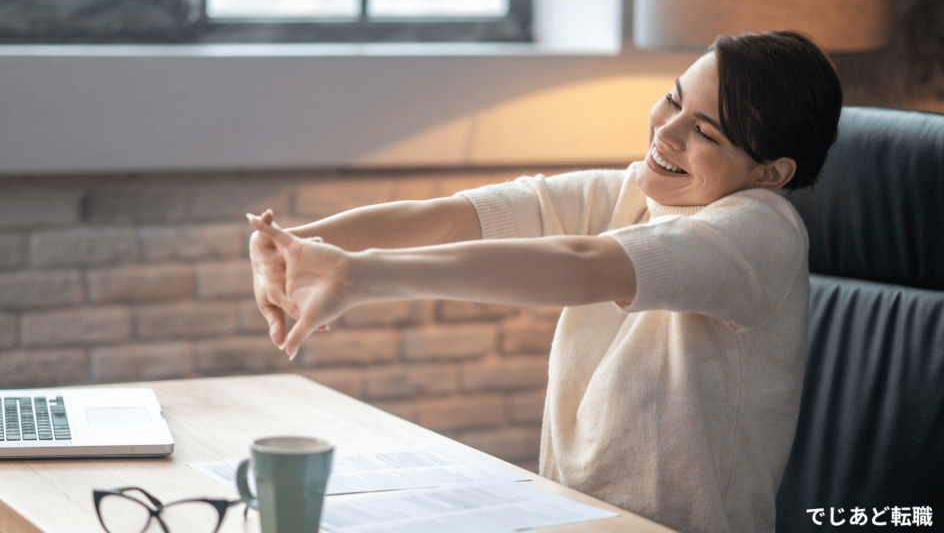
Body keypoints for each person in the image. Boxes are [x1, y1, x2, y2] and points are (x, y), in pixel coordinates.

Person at [246, 30, 843, 533]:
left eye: (706, 133)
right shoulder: (634, 191)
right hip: (571, 516)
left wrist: (359, 276)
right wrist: (300, 245)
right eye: (672, 100)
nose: (667, 132)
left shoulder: (761, 231)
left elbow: (582, 264)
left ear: (771, 171)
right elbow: (460, 217)